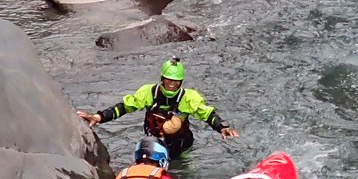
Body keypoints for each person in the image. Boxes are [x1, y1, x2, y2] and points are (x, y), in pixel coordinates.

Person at [78, 58, 238, 160]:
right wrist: (99, 117)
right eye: (169, 80)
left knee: (182, 167)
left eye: (176, 81)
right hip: (154, 140)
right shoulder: (148, 92)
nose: (172, 84)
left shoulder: (189, 97)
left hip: (180, 143)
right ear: (162, 79)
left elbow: (207, 114)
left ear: (181, 82)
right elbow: (125, 107)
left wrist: (222, 127)